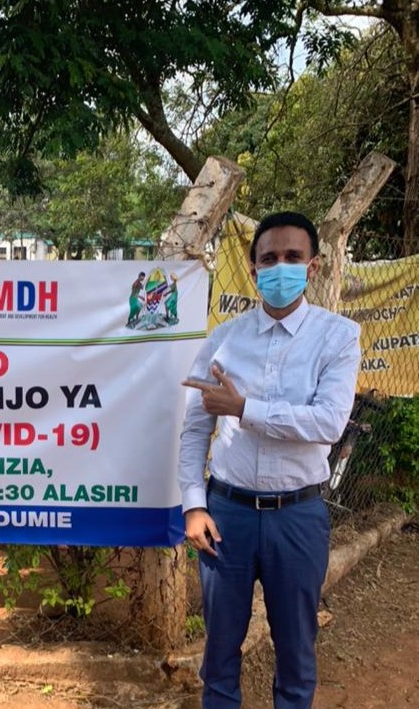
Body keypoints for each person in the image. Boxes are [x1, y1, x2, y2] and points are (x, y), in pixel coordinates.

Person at [177, 211, 361, 708]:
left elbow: (327, 423)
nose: (281, 267)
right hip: (227, 515)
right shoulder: (224, 338)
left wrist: (243, 408)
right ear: (254, 269)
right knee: (218, 654)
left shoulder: (338, 337)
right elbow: (196, 427)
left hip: (298, 517)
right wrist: (194, 504)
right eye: (269, 259)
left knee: (297, 653)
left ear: (314, 266)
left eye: (293, 258)